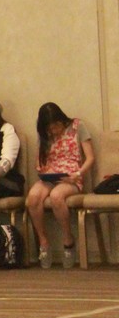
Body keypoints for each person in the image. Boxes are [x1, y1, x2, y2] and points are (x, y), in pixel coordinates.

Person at [26, 102, 93, 269]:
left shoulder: (78, 126)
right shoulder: (44, 134)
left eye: (56, 126)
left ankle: (68, 240)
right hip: (50, 175)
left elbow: (90, 158)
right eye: (50, 128)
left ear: (61, 119)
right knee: (32, 198)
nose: (54, 131)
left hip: (71, 177)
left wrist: (78, 174)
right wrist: (39, 167)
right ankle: (43, 242)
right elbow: (39, 159)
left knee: (57, 196)